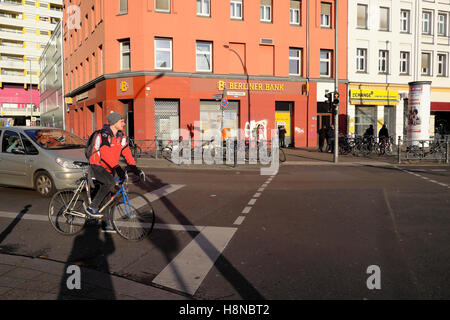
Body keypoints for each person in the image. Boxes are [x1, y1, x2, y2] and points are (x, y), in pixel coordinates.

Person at [87, 111, 145, 232]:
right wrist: (118, 168)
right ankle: (92, 208)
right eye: (121, 121)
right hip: (97, 166)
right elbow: (105, 152)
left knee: (109, 196)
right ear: (114, 123)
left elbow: (126, 152)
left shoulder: (121, 136)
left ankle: (106, 224)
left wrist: (135, 168)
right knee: (110, 184)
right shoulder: (103, 135)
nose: (124, 123)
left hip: (109, 168)